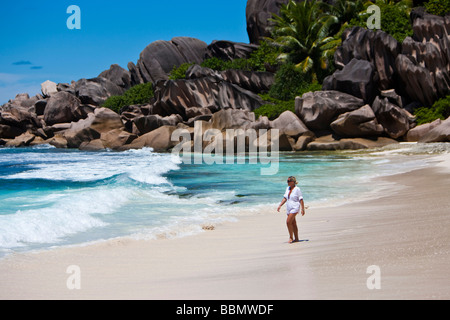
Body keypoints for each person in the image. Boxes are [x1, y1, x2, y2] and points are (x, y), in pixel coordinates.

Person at [277, 176, 305, 243]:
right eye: (287, 181)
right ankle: (297, 238)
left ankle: (291, 237)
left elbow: (301, 199)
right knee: (293, 223)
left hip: (295, 207)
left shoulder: (297, 189)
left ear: (292, 182)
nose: (287, 182)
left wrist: (303, 209)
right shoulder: (287, 188)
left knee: (288, 222)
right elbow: (285, 198)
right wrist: (280, 205)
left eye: (288, 181)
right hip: (288, 207)